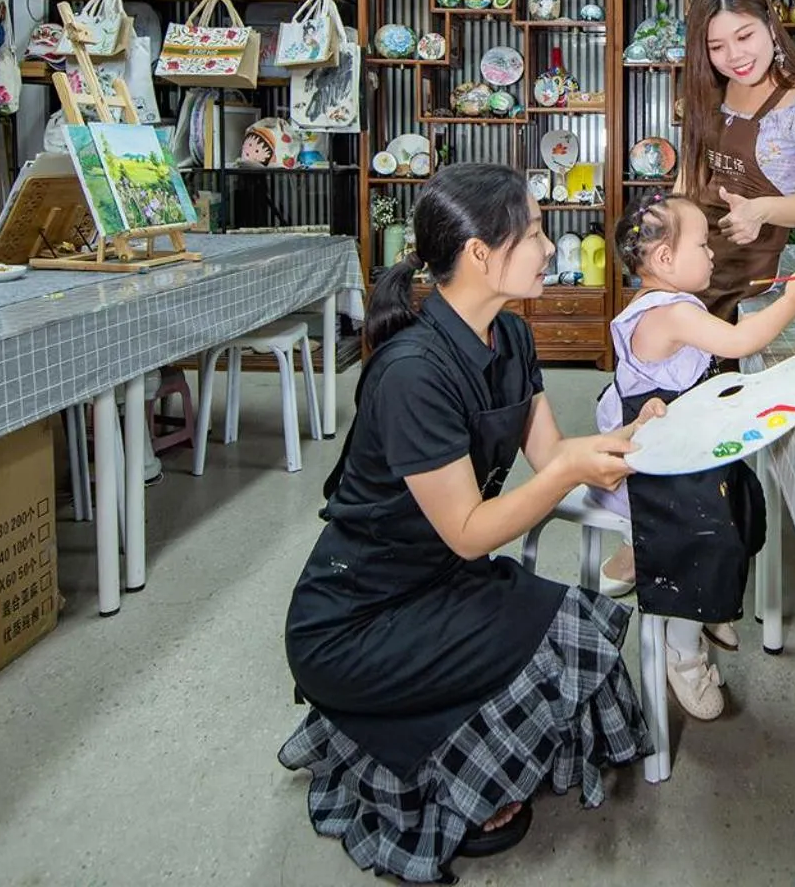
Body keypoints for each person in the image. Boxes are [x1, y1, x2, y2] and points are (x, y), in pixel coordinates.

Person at [280, 164, 655, 885]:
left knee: (574, 626)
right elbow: (471, 531)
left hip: (438, 582)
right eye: (536, 232)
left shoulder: (510, 337)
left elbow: (553, 454)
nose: (550, 247)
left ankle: (448, 746)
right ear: (481, 253)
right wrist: (570, 474)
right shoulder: (412, 373)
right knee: (552, 636)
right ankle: (433, 765)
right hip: (358, 619)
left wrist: (637, 432)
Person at [588, 192, 795, 717]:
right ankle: (683, 650)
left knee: (743, 499)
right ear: (665, 259)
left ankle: (714, 605)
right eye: (702, 244)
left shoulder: (667, 304)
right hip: (659, 471)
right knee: (705, 538)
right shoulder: (671, 313)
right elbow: (740, 342)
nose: (712, 253)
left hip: (686, 446)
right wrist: (793, 301)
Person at [676, 0, 795, 321]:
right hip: (690, 267)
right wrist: (665, 234)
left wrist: (759, 210)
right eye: (716, 47)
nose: (734, 56)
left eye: (744, 36)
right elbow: (688, 179)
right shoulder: (711, 88)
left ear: (770, 26)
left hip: (750, 278)